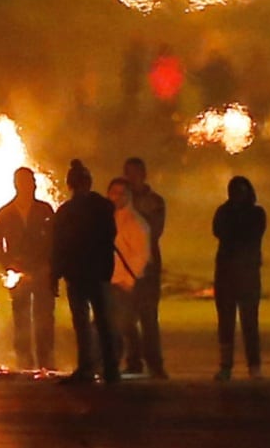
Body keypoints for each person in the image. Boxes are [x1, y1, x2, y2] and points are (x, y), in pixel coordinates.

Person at [52, 159, 119, 384]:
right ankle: (109, 368)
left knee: (85, 323)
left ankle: (89, 367)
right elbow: (109, 237)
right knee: (101, 321)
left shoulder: (66, 212)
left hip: (80, 274)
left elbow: (58, 247)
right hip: (95, 272)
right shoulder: (103, 207)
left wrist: (55, 275)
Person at [0, 167, 56, 370]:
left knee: (45, 317)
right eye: (27, 182)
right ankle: (25, 361)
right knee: (22, 317)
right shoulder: (6, 213)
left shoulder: (44, 210)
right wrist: (9, 263)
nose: (31, 186)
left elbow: (55, 239)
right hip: (18, 272)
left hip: (43, 271)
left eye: (32, 182)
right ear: (17, 185)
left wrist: (49, 265)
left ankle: (45, 360)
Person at [212, 176, 266, 381]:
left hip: (246, 274)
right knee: (226, 323)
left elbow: (243, 234)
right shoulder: (225, 212)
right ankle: (228, 366)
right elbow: (219, 231)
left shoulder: (256, 213)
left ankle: (252, 365)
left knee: (249, 323)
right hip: (228, 273)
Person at [122, 157, 168, 378]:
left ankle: (154, 363)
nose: (130, 178)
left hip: (147, 266)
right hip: (125, 267)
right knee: (127, 317)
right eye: (127, 174)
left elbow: (153, 231)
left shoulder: (154, 201)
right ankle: (133, 361)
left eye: (134, 173)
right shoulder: (121, 201)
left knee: (148, 316)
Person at [106, 178, 151, 374]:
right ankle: (118, 361)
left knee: (125, 324)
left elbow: (142, 254)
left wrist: (129, 280)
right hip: (110, 279)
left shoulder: (135, 222)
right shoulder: (109, 218)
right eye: (113, 192)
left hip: (124, 282)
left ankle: (133, 362)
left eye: (121, 193)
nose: (116, 197)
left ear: (128, 196)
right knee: (115, 323)